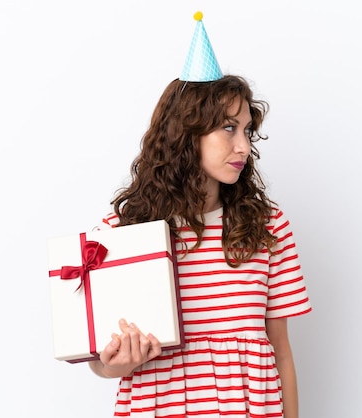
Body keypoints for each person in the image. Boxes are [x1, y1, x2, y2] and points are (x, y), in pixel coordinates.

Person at [88, 12, 311, 418]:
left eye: (247, 130)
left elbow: (281, 352)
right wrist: (115, 365)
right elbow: (101, 361)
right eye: (229, 128)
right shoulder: (121, 233)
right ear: (187, 133)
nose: (243, 145)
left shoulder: (266, 226)